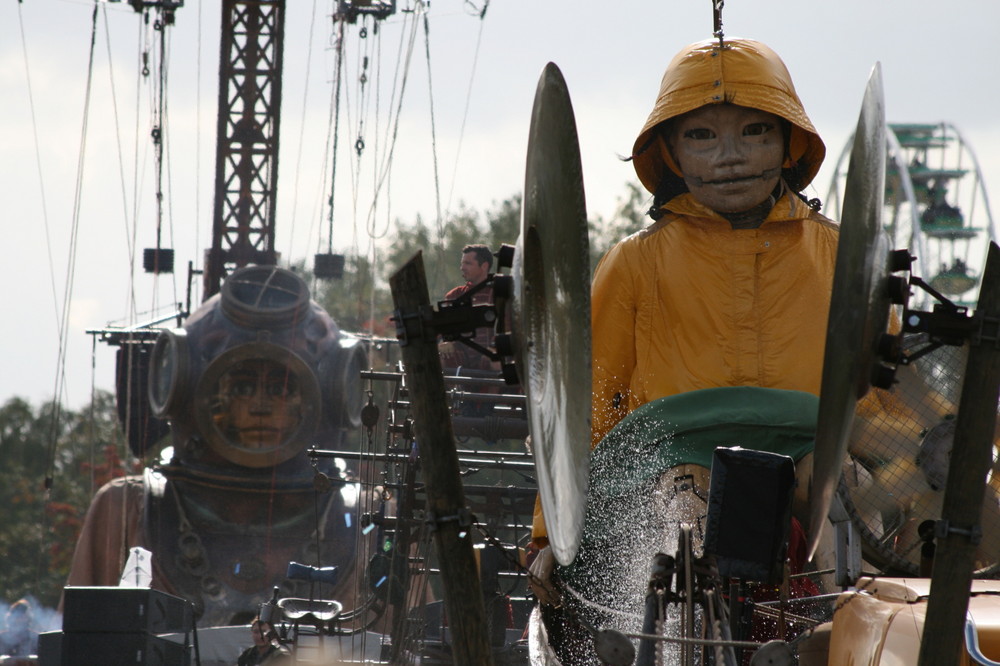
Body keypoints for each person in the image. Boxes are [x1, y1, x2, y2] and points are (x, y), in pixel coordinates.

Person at [530, 37, 839, 605]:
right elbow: (583, 405)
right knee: (686, 514)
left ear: (789, 142)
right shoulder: (635, 261)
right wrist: (547, 534)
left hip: (815, 453)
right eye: (702, 136)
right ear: (671, 153)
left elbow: (883, 395)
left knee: (846, 504)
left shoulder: (842, 255)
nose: (731, 156)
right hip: (669, 460)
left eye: (755, 132)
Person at [439, 244, 497, 372]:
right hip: (462, 357)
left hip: (491, 355)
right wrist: (446, 342)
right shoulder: (454, 295)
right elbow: (444, 329)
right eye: (462, 263)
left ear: (484, 266)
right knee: (440, 358)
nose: (462, 268)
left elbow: (508, 327)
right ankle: (450, 392)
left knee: (498, 362)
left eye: (468, 263)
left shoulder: (498, 293)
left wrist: (495, 347)